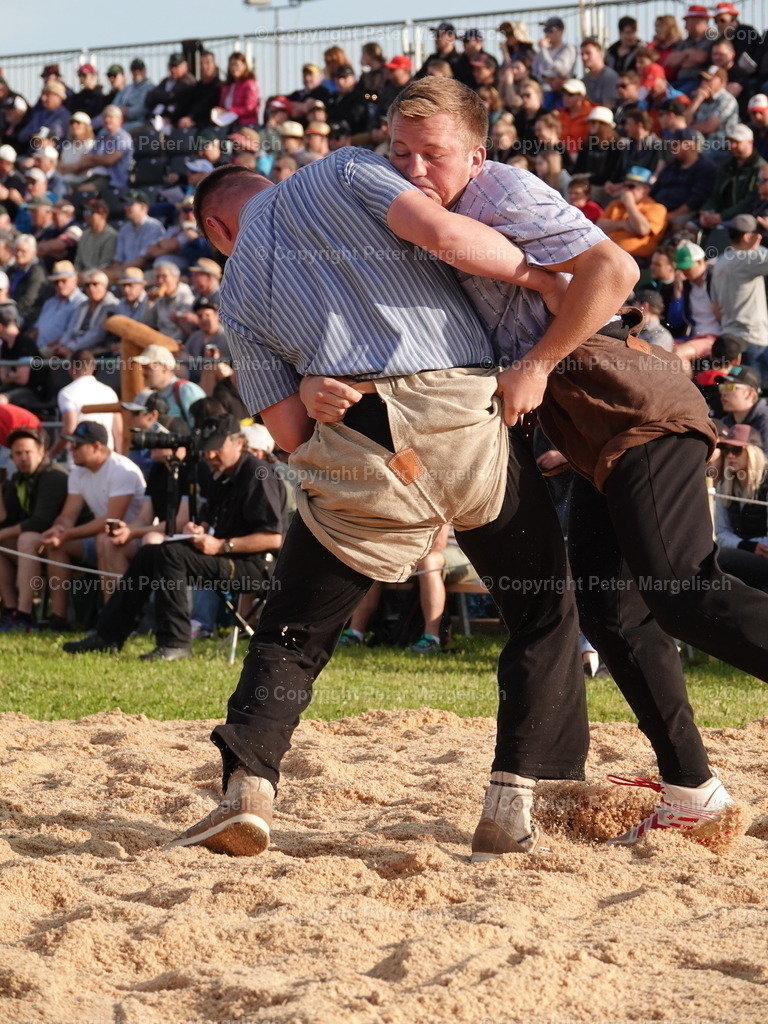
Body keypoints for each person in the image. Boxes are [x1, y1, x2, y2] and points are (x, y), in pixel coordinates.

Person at [161, 110, 637, 858]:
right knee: (543, 608)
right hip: (458, 411)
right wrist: (539, 277)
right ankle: (516, 801)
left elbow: (289, 434)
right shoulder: (342, 168)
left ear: (217, 229)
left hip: (359, 437)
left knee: (292, 631)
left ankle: (247, 788)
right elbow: (445, 234)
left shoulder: (237, 291)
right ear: (270, 179)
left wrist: (316, 382)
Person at [312, 77, 761, 848]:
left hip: (637, 408)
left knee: (681, 592)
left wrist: (538, 364)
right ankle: (693, 790)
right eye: (399, 151)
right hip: (592, 439)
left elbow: (615, 273)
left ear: (476, 155)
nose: (413, 168)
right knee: (611, 613)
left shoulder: (503, 191)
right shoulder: (418, 219)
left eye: (432, 154)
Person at [64, 414, 287, 661]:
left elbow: (274, 539)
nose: (210, 455)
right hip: (228, 556)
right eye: (206, 449)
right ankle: (107, 636)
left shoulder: (258, 475)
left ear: (238, 443)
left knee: (171, 555)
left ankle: (176, 643)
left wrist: (221, 545)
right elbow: (209, 520)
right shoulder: (222, 473)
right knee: (149, 554)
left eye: (216, 448)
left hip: (258, 565)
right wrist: (198, 529)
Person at [37, 420, 146, 628]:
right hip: (104, 538)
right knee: (58, 545)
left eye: (77, 445)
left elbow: (112, 519)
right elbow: (69, 514)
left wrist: (68, 534)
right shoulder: (78, 472)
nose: (71, 449)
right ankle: (59, 618)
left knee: (104, 540)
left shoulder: (121, 470)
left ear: (96, 446)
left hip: (134, 538)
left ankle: (113, 617)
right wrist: (59, 529)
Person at [0, 425, 68, 630]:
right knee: (5, 543)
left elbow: (40, 522)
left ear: (41, 451)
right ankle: (10, 611)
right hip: (39, 542)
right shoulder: (18, 479)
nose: (23, 458)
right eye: (18, 453)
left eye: (28, 452)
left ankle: (24, 614)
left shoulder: (54, 476)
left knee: (25, 538)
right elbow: (7, 520)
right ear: (11, 457)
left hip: (65, 540)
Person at [709, 214, 768, 380]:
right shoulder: (747, 259)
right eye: (757, 234)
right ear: (747, 237)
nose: (760, 237)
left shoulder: (720, 262)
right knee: (752, 391)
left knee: (736, 390)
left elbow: (715, 307)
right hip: (753, 339)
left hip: (730, 341)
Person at [714, 424, 768, 591]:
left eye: (737, 450)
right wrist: (745, 546)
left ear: (753, 452)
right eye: (726, 450)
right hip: (743, 553)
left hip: (764, 557)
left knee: (720, 558)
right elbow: (721, 533)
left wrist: (746, 546)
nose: (730, 455)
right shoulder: (724, 485)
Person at [596, 165, 668, 259]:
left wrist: (630, 204)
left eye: (631, 186)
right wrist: (621, 224)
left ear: (645, 189)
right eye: (625, 185)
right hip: (608, 254)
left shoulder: (657, 208)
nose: (626, 190)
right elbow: (599, 226)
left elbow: (642, 230)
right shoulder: (616, 204)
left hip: (635, 258)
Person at [132, 343, 205, 427]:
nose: (143, 372)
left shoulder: (186, 390)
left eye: (147, 368)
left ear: (164, 367)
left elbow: (202, 426)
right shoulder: (153, 396)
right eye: (142, 367)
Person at [718, 364, 768, 450]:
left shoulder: (765, 422)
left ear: (749, 393)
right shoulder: (725, 422)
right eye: (722, 387)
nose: (723, 393)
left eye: (730, 387)